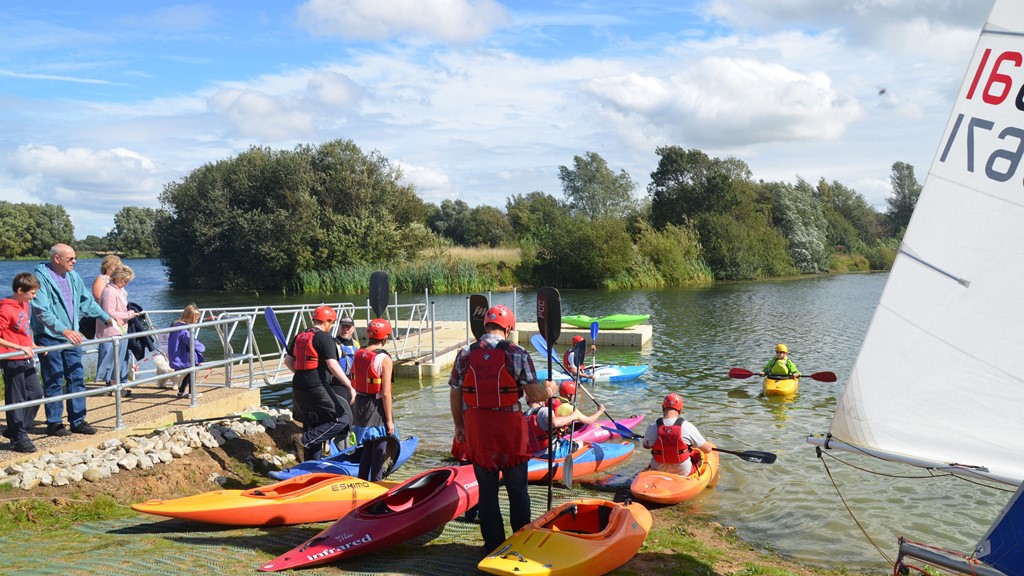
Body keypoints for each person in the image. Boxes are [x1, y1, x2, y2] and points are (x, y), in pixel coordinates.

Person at [448, 304, 558, 552]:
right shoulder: (517, 352)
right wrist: (550, 390)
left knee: (487, 492)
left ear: (485, 326)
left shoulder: (464, 353)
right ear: (508, 329)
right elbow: (533, 394)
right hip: (509, 429)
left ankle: (492, 544)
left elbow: (455, 394)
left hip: (477, 428)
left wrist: (459, 426)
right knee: (517, 489)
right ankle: (521, 542)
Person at [31, 243, 113, 436]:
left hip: (72, 336)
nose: (75, 261)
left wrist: (105, 317)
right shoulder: (40, 279)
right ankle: (54, 423)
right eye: (71, 258)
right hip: (49, 336)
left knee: (76, 376)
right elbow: (41, 310)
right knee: (54, 378)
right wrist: (64, 330)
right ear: (56, 259)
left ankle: (78, 420)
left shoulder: (73, 276)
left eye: (75, 258)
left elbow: (86, 301)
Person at [284, 305, 354, 461]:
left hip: (298, 386)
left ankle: (311, 464)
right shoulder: (325, 338)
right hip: (317, 387)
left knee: (313, 424)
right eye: (332, 323)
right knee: (341, 419)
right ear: (327, 321)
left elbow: (288, 361)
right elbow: (332, 365)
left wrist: (302, 375)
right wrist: (350, 386)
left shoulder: (299, 336)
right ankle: (303, 440)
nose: (331, 326)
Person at [1, 273, 43, 453]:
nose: (34, 296)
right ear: (20, 290)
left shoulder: (24, 305)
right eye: (32, 293)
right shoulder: (5, 309)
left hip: (25, 357)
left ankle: (16, 429)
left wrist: (32, 345)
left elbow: (23, 332)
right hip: (11, 358)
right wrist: (18, 347)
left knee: (36, 393)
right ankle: (19, 437)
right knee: (16, 397)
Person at [351, 317, 396, 481]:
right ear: (385, 337)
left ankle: (362, 481)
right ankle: (377, 484)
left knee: (367, 447)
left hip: (360, 404)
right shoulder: (384, 359)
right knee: (379, 448)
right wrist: (389, 421)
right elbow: (386, 393)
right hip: (376, 407)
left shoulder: (359, 353)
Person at [641, 393, 715, 476]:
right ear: (680, 410)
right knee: (696, 454)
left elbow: (645, 446)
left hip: (658, 469)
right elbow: (707, 449)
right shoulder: (687, 426)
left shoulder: (652, 426)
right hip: (683, 472)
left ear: (663, 407)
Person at [95, 266, 138, 397]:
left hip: (119, 329)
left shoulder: (115, 290)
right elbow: (109, 312)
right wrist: (129, 314)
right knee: (113, 360)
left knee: (118, 360)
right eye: (125, 281)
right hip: (112, 330)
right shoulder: (109, 291)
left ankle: (116, 387)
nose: (127, 284)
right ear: (118, 278)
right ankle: (114, 388)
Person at [524, 393, 605, 457]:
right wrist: (573, 416)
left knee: (571, 441)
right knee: (581, 443)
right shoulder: (544, 410)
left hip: (535, 452)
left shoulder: (524, 415)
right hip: (553, 452)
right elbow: (556, 423)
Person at [167, 304, 206, 399]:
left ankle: (181, 392)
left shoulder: (175, 326)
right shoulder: (184, 331)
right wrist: (202, 348)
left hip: (178, 355)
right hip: (184, 356)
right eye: (196, 319)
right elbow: (192, 342)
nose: (196, 321)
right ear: (190, 318)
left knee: (188, 373)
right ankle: (192, 393)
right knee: (192, 372)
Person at [80, 254, 122, 340]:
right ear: (107, 266)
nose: (117, 268)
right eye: (115, 266)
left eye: (118, 266)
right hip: (105, 314)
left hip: (118, 314)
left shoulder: (116, 281)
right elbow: (98, 297)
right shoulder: (101, 279)